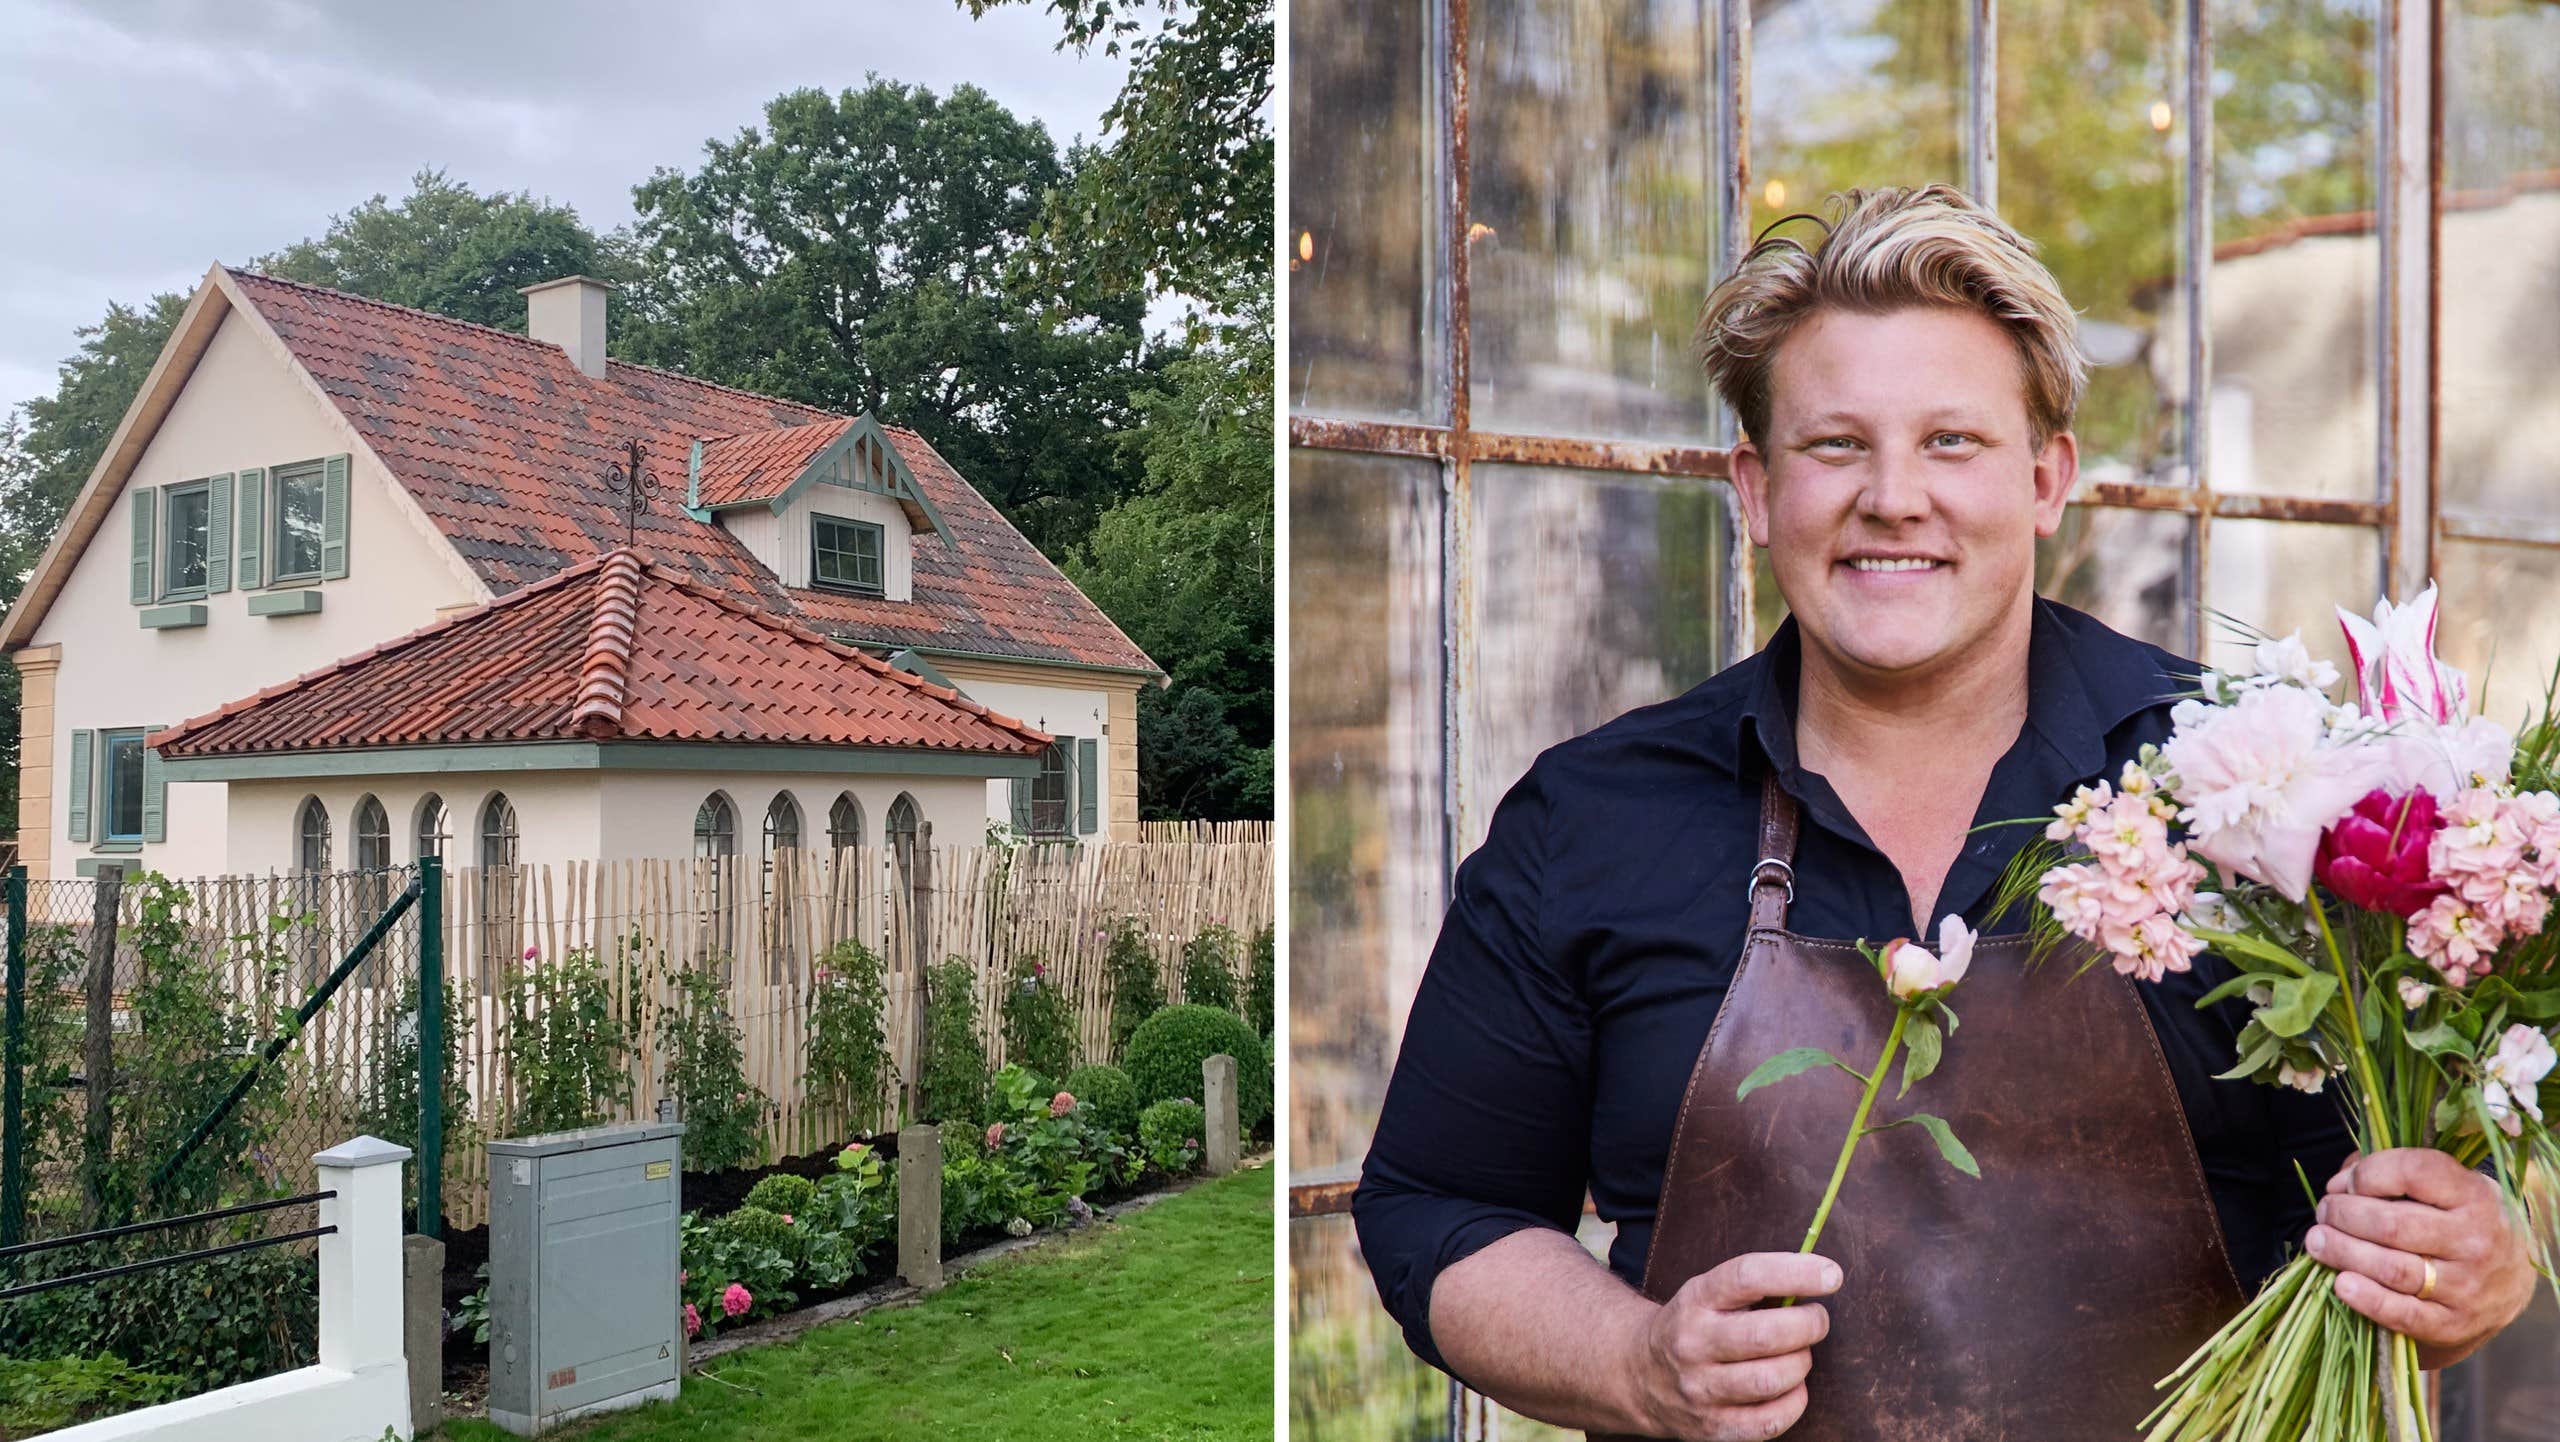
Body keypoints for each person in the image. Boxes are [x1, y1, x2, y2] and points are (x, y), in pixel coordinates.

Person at [1350, 184, 2537, 1441]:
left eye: (1952, 443)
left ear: (2046, 478)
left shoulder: (2261, 790)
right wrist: (1639, 1358)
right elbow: (1437, 1208)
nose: (1893, 496)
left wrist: (2469, 1266)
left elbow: (2411, 1193)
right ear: (1755, 490)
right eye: (1835, 445)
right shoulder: (1592, 821)